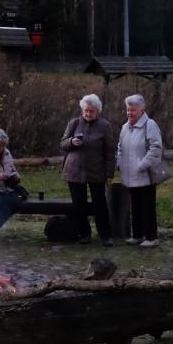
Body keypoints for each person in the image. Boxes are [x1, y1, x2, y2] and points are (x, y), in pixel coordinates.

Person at [60, 94, 115, 246]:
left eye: (91, 111)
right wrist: (71, 141)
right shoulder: (74, 123)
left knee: (100, 205)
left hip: (96, 171)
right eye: (85, 110)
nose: (88, 114)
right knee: (79, 205)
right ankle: (84, 234)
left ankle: (105, 235)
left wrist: (109, 174)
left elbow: (110, 152)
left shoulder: (105, 126)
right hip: (74, 170)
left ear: (98, 111)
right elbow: (62, 144)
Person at [116, 94, 163, 248]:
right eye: (128, 110)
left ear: (142, 110)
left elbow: (156, 148)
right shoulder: (125, 127)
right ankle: (137, 234)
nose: (130, 113)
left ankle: (151, 236)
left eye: (133, 110)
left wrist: (142, 165)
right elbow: (120, 148)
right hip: (129, 174)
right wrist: (120, 163)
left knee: (147, 205)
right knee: (135, 205)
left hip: (145, 174)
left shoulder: (150, 125)